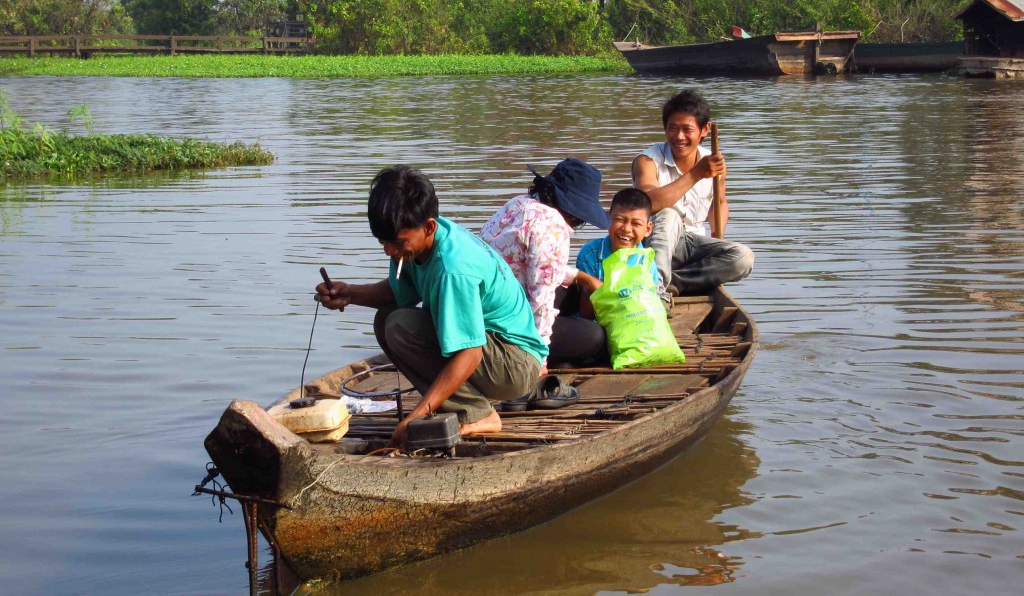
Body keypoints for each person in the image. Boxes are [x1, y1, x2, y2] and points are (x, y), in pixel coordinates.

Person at [315, 165, 546, 446]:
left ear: (428, 227)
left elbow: (470, 353)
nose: (389, 251)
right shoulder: (417, 240)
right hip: (493, 353)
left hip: (515, 364)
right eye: (383, 242)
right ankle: (467, 405)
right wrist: (351, 293)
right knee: (388, 319)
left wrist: (417, 414)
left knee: (400, 326)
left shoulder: (453, 268)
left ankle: (476, 415)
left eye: (396, 243)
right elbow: (399, 292)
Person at [479, 158, 608, 367]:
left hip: (490, 303)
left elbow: (526, 262)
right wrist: (539, 360)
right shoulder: (552, 225)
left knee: (575, 292)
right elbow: (541, 302)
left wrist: (581, 277)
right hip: (504, 322)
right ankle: (528, 355)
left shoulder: (518, 203)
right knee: (595, 337)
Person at [632, 89, 754, 294]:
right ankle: (656, 291)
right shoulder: (647, 161)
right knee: (668, 214)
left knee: (743, 257)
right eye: (672, 128)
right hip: (654, 242)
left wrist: (717, 234)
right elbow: (647, 203)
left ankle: (675, 283)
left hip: (693, 243)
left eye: (687, 129)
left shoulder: (713, 162)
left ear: (704, 130)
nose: (679, 137)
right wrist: (696, 174)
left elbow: (720, 203)